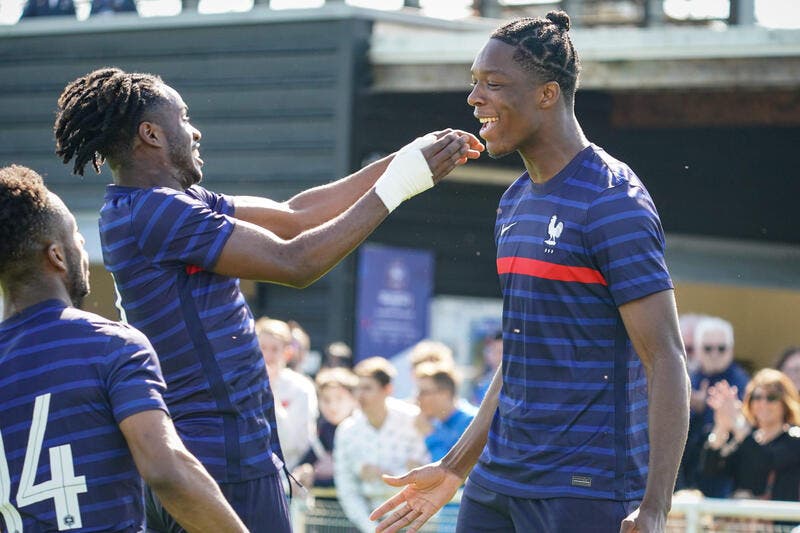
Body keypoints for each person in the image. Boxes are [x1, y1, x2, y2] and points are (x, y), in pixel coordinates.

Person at [53, 67, 482, 531]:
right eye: (183, 117)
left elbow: (294, 216)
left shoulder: (159, 203)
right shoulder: (158, 210)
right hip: (224, 459)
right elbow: (295, 262)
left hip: (201, 456)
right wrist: (401, 185)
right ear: (151, 134)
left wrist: (402, 158)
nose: (194, 130)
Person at [370, 11, 689, 533]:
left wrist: (655, 505)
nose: (475, 98)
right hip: (499, 480)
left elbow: (666, 358)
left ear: (547, 94)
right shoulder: (514, 201)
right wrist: (455, 466)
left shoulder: (614, 201)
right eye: (474, 83)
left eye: (493, 84)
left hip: (584, 487)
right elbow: (520, 353)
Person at [0, 165, 246, 532]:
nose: (83, 247)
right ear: (57, 256)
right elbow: (166, 471)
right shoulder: (112, 344)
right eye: (77, 238)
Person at [334, 357, 429, 533]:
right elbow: (346, 486)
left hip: (417, 522)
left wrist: (391, 477)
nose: (360, 395)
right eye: (357, 388)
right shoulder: (346, 430)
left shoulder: (413, 419)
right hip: (368, 524)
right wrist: (371, 528)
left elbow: (428, 471)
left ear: (387, 389)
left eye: (367, 388)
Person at [683, 316, 749, 497]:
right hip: (689, 475)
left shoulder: (741, 382)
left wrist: (710, 410)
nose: (714, 353)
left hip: (724, 476)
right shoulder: (689, 379)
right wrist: (693, 409)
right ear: (697, 349)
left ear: (731, 349)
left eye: (721, 348)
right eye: (707, 348)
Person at [257, 316, 318, 473]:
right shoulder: (240, 385)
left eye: (275, 349)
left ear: (288, 353)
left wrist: (269, 392)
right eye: (262, 348)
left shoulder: (302, 387)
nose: (267, 357)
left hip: (287, 477)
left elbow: (295, 444)